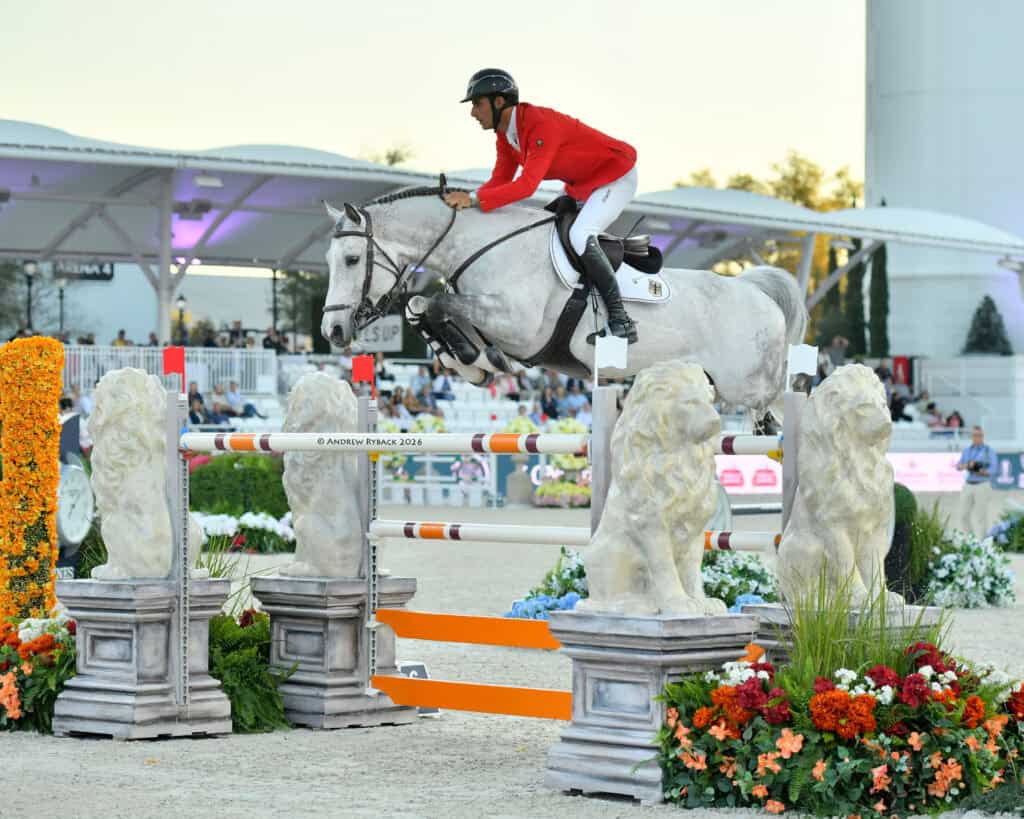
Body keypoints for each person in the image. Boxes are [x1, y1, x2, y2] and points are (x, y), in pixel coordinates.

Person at [444, 68, 638, 343]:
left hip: (615, 177)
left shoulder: (538, 123)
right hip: (582, 184)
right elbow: (500, 180)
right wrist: (466, 201)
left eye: (477, 104)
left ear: (499, 102)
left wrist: (474, 199)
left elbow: (526, 186)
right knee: (541, 231)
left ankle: (621, 320)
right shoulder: (505, 135)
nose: (473, 112)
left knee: (579, 235)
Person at [955, 426, 998, 537]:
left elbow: (993, 469)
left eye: (979, 435)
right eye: (975, 435)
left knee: (981, 515)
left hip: (982, 485)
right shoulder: (967, 451)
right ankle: (971, 539)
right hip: (968, 484)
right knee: (963, 515)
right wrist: (969, 465)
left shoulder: (989, 451)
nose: (977, 438)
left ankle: (982, 541)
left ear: (983, 436)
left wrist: (980, 471)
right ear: (972, 437)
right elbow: (958, 466)